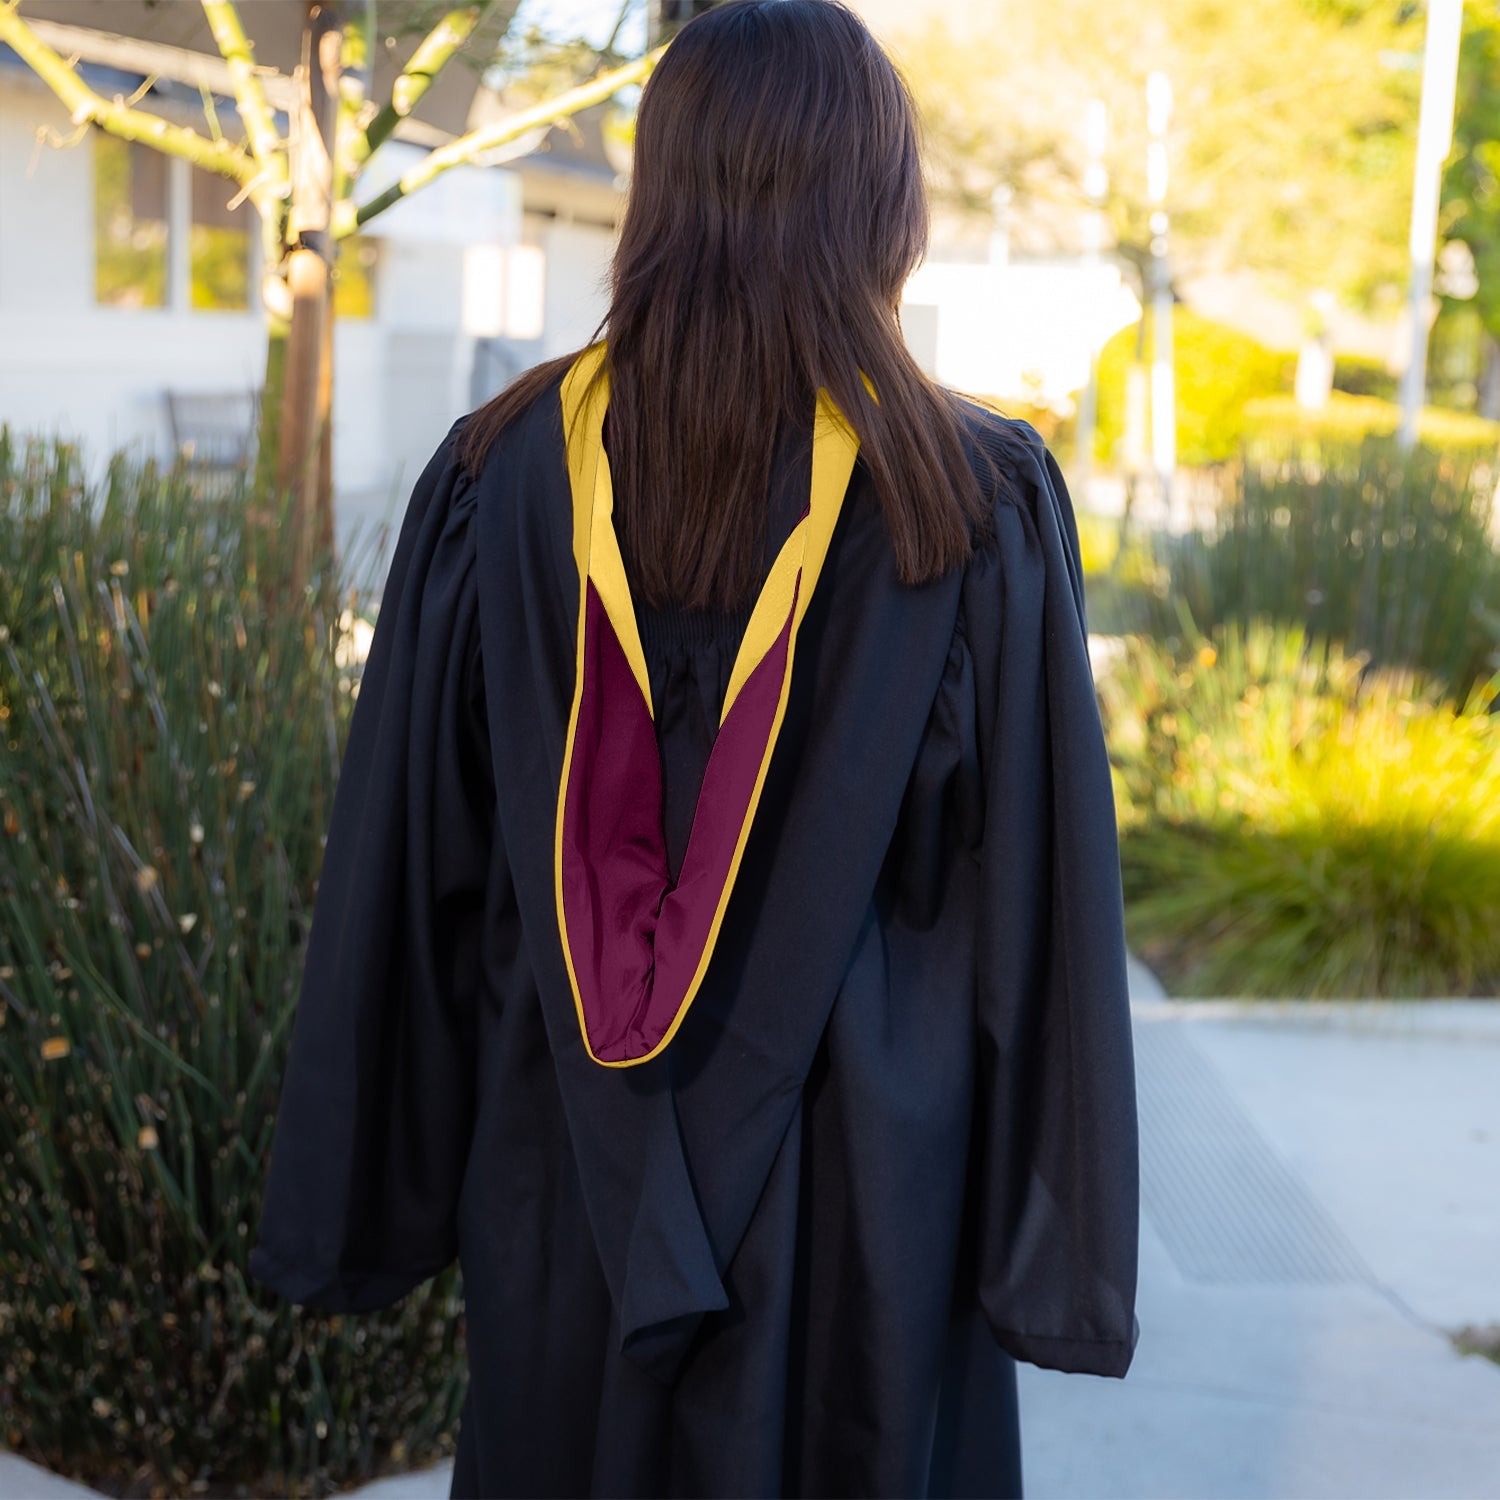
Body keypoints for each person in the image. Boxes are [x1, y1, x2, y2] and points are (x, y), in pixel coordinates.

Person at [247, 2, 1141, 1496]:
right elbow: (1040, 909)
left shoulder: (500, 478)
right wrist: (1049, 1244)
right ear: (884, 203)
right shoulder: (969, 504)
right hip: (876, 1216)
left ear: (657, 191)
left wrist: (362, 1198)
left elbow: (413, 876)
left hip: (569, 1194)